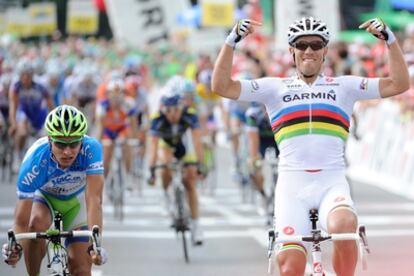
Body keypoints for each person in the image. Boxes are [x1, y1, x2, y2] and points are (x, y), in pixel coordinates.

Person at [212, 17, 409, 276]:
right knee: (291, 268)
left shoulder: (345, 86)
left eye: (316, 45)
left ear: (325, 50)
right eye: (301, 44)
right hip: (292, 186)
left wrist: (390, 40)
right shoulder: (274, 87)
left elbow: (399, 84)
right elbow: (221, 86)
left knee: (345, 227)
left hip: (331, 181)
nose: (308, 51)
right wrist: (232, 41)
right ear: (291, 50)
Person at [2, 105, 107, 276]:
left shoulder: (92, 150)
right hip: (45, 200)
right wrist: (16, 249)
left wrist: (96, 246)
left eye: (74, 144)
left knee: (81, 269)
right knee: (35, 223)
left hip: (76, 202)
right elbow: (21, 221)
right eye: (60, 143)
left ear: (82, 140)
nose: (67, 151)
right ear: (50, 140)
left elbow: (95, 200)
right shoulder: (34, 161)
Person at [147, 90, 206, 246]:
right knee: (165, 164)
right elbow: (153, 146)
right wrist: (152, 170)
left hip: (182, 145)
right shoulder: (157, 119)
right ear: (163, 109)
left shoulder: (190, 114)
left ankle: (196, 226)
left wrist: (200, 165)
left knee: (190, 181)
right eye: (168, 111)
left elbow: (197, 142)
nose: (172, 115)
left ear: (182, 107)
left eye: (176, 110)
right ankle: (166, 193)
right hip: (165, 145)